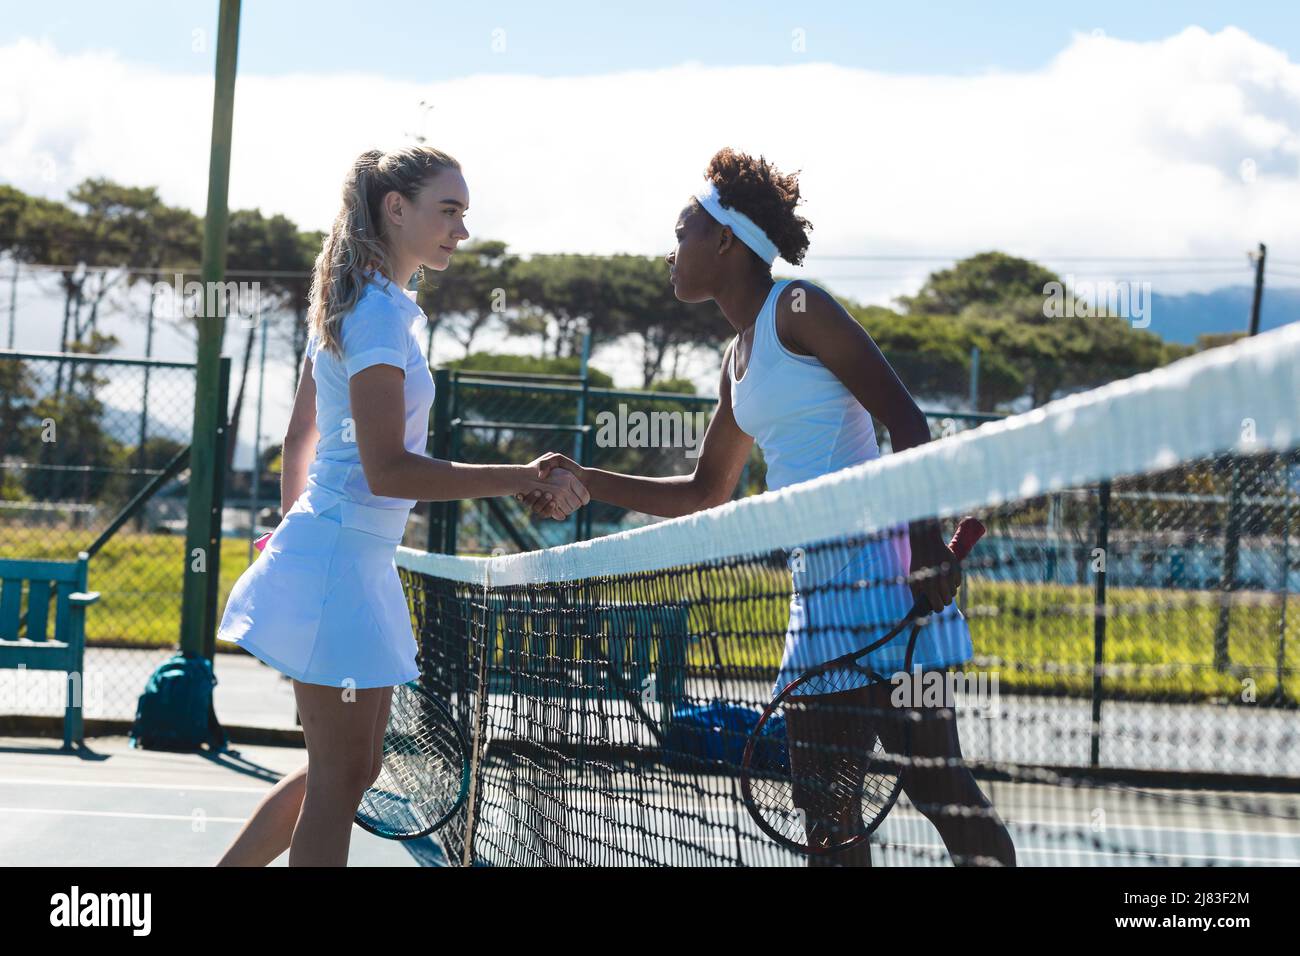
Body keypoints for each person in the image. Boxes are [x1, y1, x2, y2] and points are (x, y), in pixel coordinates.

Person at [522, 147, 1015, 866]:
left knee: (931, 792)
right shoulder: (737, 361)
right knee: (830, 808)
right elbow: (703, 493)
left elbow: (907, 422)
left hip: (883, 580)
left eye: (683, 230)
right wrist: (585, 477)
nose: (672, 249)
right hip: (819, 594)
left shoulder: (801, 306)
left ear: (724, 240)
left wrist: (926, 549)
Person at [215, 146, 588, 867]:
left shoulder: (365, 305)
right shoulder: (376, 316)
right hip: (337, 564)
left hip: (348, 562)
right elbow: (387, 470)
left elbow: (302, 436)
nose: (462, 229)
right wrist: (521, 475)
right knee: (338, 782)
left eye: (464, 214)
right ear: (396, 208)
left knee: (349, 774)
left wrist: (294, 528)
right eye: (448, 211)